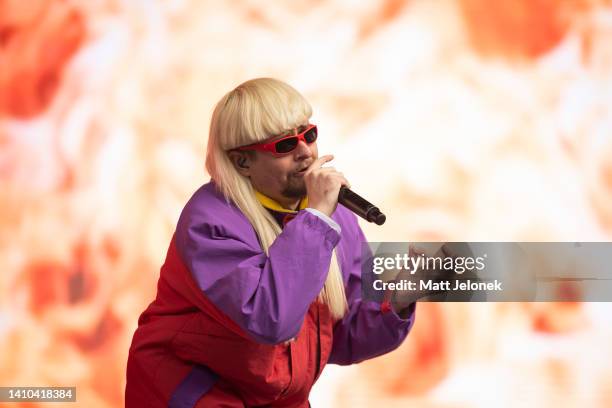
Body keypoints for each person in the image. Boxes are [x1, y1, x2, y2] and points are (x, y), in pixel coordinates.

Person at [125, 78, 416, 407]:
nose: (305, 152)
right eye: (284, 145)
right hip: (195, 395)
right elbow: (269, 319)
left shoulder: (333, 219)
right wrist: (318, 218)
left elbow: (342, 334)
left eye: (308, 135)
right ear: (242, 162)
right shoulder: (210, 223)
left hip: (277, 399)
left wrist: (398, 302)